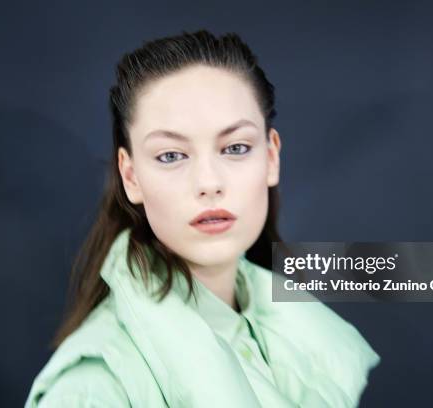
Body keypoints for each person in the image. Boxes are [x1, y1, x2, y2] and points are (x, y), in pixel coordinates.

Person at [24, 29, 380, 408]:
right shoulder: (92, 389)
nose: (209, 183)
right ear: (131, 176)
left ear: (271, 157)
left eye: (236, 147)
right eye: (171, 155)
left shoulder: (304, 328)